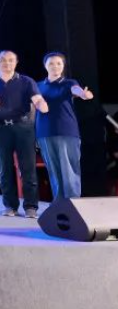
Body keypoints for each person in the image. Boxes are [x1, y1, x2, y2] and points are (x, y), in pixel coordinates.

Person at [0, 50, 48, 218]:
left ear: (16, 62)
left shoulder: (26, 81)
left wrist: (41, 104)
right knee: (4, 169)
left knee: (28, 169)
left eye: (11, 60)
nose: (7, 63)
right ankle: (10, 206)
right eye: (3, 60)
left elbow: (37, 99)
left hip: (23, 128)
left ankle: (31, 207)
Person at [37, 52, 95, 200]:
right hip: (44, 132)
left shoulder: (69, 83)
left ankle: (73, 202)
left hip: (66, 130)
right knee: (53, 169)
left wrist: (83, 94)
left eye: (59, 63)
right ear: (45, 66)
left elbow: (76, 89)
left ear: (63, 66)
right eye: (51, 63)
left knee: (69, 169)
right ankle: (59, 203)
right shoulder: (38, 86)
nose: (55, 66)